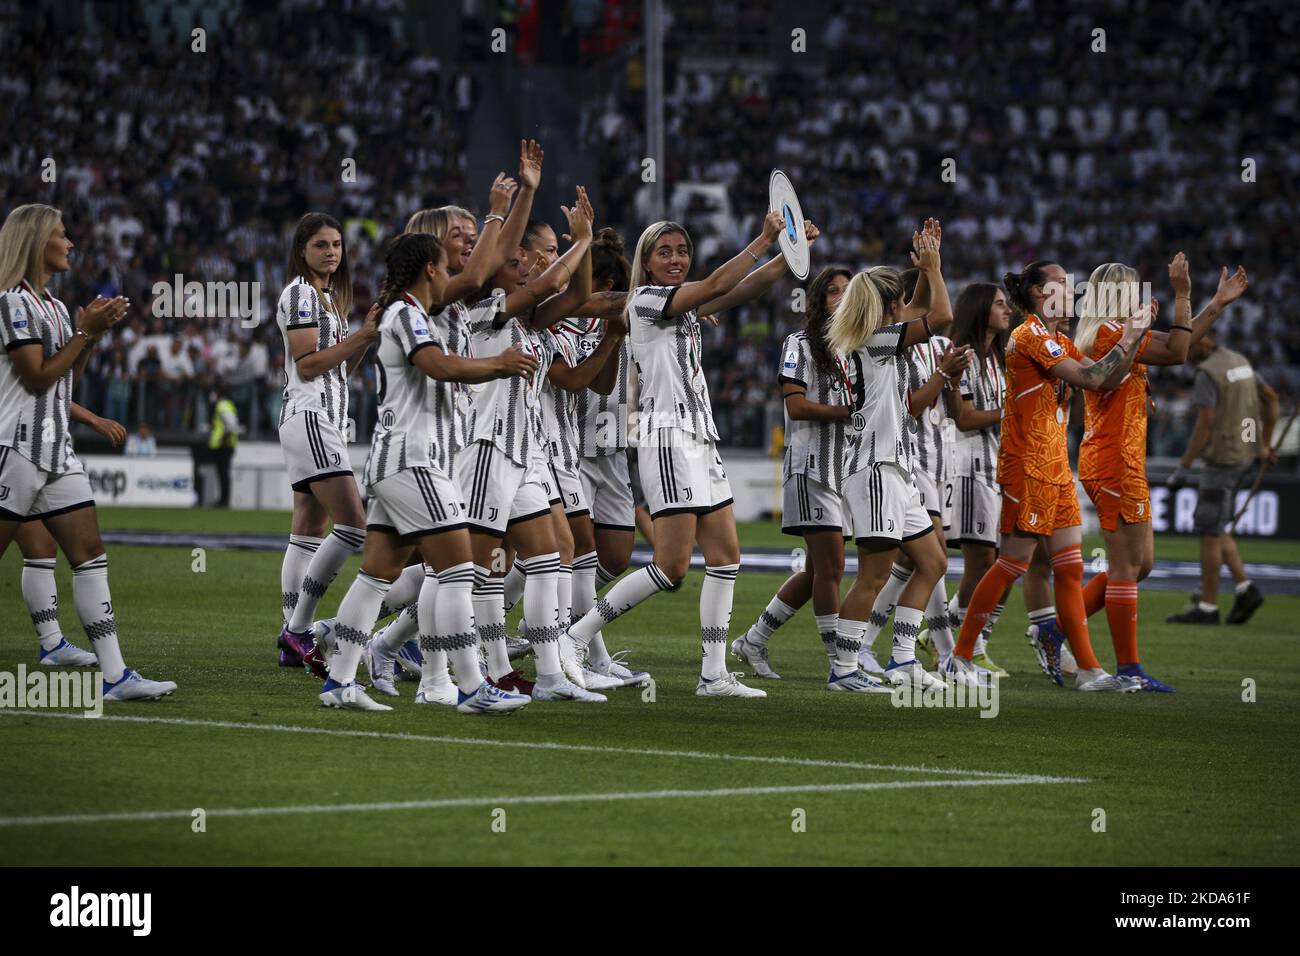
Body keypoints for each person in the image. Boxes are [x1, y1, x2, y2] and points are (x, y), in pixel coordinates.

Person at [564, 210, 811, 698]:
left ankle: (713, 675)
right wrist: (763, 239)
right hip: (666, 438)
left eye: (681, 251)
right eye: (665, 252)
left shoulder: (679, 304)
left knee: (726, 557)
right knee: (671, 566)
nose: (676, 259)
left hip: (699, 437)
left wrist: (790, 256)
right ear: (647, 263)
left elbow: (739, 290)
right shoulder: (648, 299)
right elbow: (721, 280)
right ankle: (575, 639)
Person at [318, 232, 537, 712]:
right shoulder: (405, 314)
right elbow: (436, 366)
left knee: (375, 576)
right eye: (446, 264)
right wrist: (497, 363)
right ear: (431, 270)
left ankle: (338, 682)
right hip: (413, 460)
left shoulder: (409, 312)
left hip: (399, 460)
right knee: (460, 570)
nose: (454, 274)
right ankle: (474, 688)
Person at [946, 260, 1150, 691]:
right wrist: (1131, 335)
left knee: (1071, 568)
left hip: (1057, 464)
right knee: (1011, 564)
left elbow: (1108, 379)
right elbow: (1092, 378)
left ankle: (1091, 671)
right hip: (1029, 465)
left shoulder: (1057, 338)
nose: (1070, 289)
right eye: (1060, 284)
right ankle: (959, 657)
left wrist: (1130, 342)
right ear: (1038, 294)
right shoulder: (1031, 335)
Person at [0, 202, 176, 700]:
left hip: (57, 453)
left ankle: (115, 675)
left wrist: (92, 334)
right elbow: (35, 377)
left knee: (90, 557)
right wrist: (84, 333)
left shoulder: (54, 306)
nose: (71, 242)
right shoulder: (13, 303)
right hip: (14, 449)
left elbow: (63, 374)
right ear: (37, 242)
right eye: (62, 234)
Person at [1073, 256, 1246, 686]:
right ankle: (1129, 669)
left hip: (1121, 458)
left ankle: (1059, 626)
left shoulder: (1115, 334)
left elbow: (1176, 343)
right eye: (1131, 288)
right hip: (1114, 460)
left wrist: (1216, 304)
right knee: (1127, 565)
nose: (1137, 295)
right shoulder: (1112, 334)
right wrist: (1183, 294)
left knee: (1140, 563)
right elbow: (1179, 351)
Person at [823, 226, 957, 693]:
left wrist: (924, 267)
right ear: (885, 307)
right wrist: (934, 270)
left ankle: (901, 661)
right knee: (875, 574)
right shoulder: (875, 340)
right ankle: (843, 668)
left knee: (933, 562)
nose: (905, 306)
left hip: (895, 471)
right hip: (875, 470)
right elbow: (939, 315)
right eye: (898, 299)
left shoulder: (876, 335)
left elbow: (921, 310)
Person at [732, 266, 853, 679]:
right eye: (833, 291)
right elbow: (796, 407)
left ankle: (753, 640)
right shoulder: (798, 343)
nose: (841, 297)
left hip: (843, 470)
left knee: (818, 571)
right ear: (817, 301)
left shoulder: (855, 350)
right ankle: (841, 663)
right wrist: (851, 412)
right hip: (810, 467)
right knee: (832, 569)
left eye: (848, 291)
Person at [274, 213, 376, 667]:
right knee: (353, 525)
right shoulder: (299, 293)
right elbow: (309, 365)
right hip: (311, 417)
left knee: (308, 530)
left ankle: (292, 635)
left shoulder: (327, 299)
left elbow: (335, 368)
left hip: (321, 419)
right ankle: (299, 629)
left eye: (336, 244)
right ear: (302, 250)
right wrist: (364, 335)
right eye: (321, 245)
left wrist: (362, 341)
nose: (331, 252)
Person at [1167, 319, 1275, 626]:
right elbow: (1272, 400)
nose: (1183, 355)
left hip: (1221, 460)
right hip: (1245, 456)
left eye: (1187, 348)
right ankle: (1245, 587)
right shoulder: (1239, 361)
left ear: (1201, 341)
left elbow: (1205, 423)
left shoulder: (1207, 372)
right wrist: (1263, 445)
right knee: (1220, 526)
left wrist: (1184, 466)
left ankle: (1207, 607)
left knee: (1210, 533)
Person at [14, 405, 126, 666]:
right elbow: (40, 380)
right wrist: (93, 419)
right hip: (12, 450)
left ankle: (52, 643)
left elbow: (56, 390)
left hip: (38, 447)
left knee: (41, 548)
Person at [941, 281, 1011, 674]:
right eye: (1000, 304)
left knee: (999, 560)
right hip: (969, 467)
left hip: (996, 467)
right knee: (981, 559)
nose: (1007, 310)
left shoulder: (997, 358)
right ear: (981, 309)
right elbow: (963, 417)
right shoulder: (963, 356)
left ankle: (952, 636)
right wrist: (1011, 412)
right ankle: (967, 647)